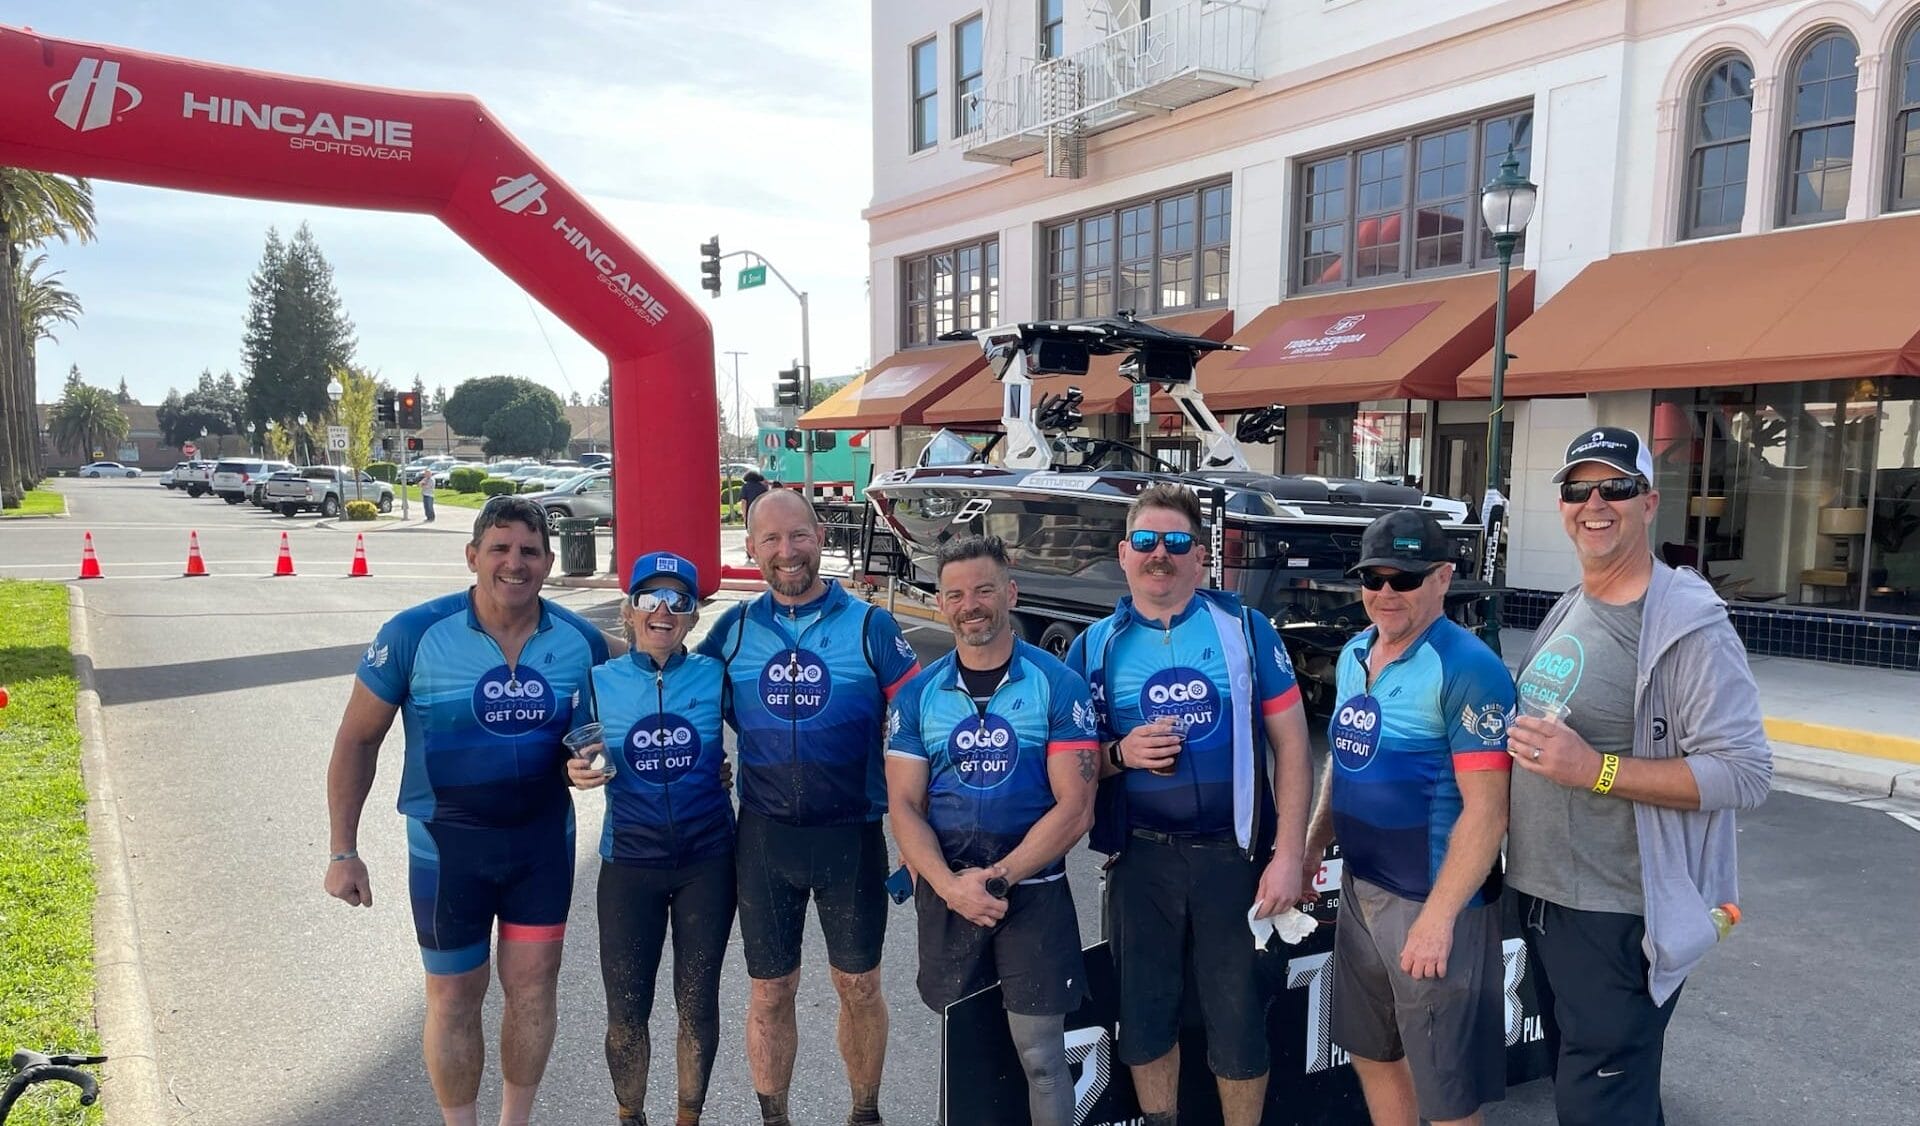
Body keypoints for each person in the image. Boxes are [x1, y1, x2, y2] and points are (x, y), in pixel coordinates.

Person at [1505, 427, 1771, 1125]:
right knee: (1599, 1098)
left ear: (1649, 501)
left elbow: (1744, 772)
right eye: (1577, 488)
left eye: (1615, 486)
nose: (1595, 502)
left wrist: (1596, 770)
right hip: (1547, 903)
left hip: (1617, 916)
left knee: (1599, 1103)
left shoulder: (1687, 626)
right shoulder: (1573, 604)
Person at [324, 495, 609, 1126]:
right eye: (500, 549)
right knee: (454, 996)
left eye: (529, 551)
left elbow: (648, 677)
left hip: (541, 844)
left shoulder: (581, 640)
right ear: (472, 556)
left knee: (533, 990)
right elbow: (356, 740)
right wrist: (344, 850)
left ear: (549, 561)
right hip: (447, 847)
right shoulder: (414, 634)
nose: (515, 563)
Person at [1064, 483, 1312, 1126]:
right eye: (1145, 541)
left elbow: (1292, 749)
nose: (1160, 555)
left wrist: (1289, 856)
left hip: (1234, 861)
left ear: (1200, 556)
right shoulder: (1094, 648)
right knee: (1145, 1018)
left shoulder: (1246, 631)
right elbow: (1068, 766)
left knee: (1238, 1020)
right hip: (1140, 861)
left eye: (1177, 542)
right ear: (1123, 553)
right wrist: (1118, 754)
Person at [694, 487, 920, 1126]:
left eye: (798, 536)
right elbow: (685, 702)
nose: (787, 551)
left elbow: (924, 725)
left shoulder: (870, 626)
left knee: (860, 987)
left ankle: (864, 1114)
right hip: (765, 839)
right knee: (769, 992)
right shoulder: (733, 631)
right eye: (771, 539)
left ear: (821, 535)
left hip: (851, 835)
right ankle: (774, 1118)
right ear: (751, 549)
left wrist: (918, 824)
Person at [1300, 510, 1514, 1126]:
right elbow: (1342, 760)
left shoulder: (1468, 668)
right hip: (1363, 888)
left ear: (1443, 577)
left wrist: (1439, 919)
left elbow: (1488, 811)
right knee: (1372, 1051)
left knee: (1445, 1087)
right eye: (1374, 579)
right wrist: (1316, 843)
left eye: (1405, 579)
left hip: (1430, 902)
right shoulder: (1353, 654)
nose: (1386, 594)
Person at [885, 536, 1099, 1126]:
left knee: (1043, 1059)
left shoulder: (1056, 684)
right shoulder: (921, 695)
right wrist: (953, 888)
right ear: (941, 602)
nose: (969, 604)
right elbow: (902, 806)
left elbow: (1076, 806)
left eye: (983, 590)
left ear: (1011, 592)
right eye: (955, 594)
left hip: (1031, 896)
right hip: (949, 894)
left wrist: (998, 879)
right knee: (969, 1053)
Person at [566, 551, 735, 1126]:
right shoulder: (597, 682)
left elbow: (769, 737)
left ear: (693, 617)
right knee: (626, 1013)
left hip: (707, 862)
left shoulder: (716, 678)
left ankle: (689, 1117)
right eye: (649, 598)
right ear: (629, 611)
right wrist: (575, 771)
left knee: (696, 1005)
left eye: (679, 600)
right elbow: (570, 755)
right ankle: (630, 1116)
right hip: (629, 863)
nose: (663, 609)